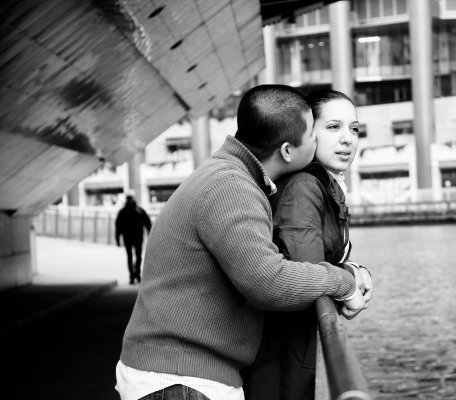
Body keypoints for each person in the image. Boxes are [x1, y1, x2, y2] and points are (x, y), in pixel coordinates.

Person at [115, 85, 367, 400]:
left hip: (187, 374)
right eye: (315, 134)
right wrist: (344, 281)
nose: (328, 141)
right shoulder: (232, 188)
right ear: (288, 150)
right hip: (181, 380)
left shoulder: (233, 177)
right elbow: (268, 281)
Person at [243, 89, 372, 400]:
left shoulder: (326, 187)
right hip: (277, 349)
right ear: (308, 134)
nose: (347, 139)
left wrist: (353, 269)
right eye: (333, 127)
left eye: (354, 129)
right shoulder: (304, 186)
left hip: (294, 340)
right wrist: (351, 280)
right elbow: (308, 273)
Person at [115, 192, 152, 285]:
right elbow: (147, 223)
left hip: (131, 237)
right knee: (134, 256)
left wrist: (118, 238)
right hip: (135, 237)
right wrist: (117, 239)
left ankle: (135, 274)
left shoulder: (124, 211)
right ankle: (134, 275)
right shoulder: (138, 210)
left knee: (134, 256)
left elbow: (118, 226)